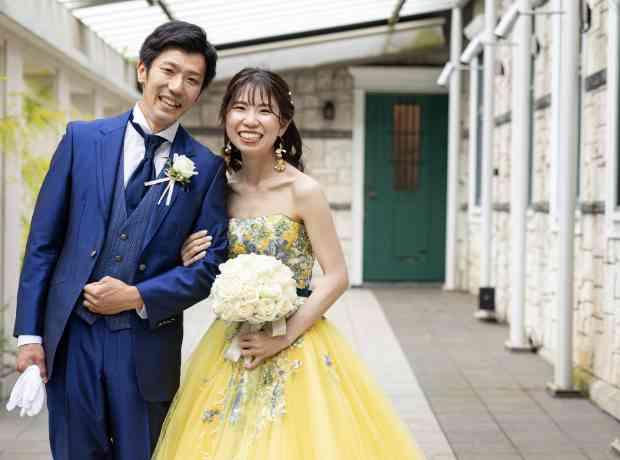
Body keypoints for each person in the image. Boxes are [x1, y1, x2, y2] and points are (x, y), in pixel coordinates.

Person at [152, 68, 426, 460]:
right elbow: (210, 261)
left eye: (264, 111)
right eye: (240, 108)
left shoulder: (304, 191)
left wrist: (282, 338)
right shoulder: (220, 190)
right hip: (233, 340)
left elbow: (336, 276)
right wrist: (188, 254)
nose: (250, 120)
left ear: (282, 124)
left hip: (295, 339)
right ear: (225, 116)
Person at [12, 21, 228, 460]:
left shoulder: (205, 169)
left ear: (199, 93)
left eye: (192, 80)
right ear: (143, 70)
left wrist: (137, 296)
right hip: (73, 338)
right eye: (169, 71)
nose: (177, 87)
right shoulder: (81, 140)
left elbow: (209, 267)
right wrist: (29, 335)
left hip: (146, 345)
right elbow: (43, 243)